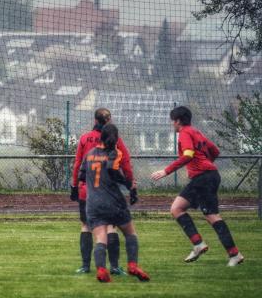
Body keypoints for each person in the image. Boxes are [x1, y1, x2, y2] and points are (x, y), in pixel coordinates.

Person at [151, 106, 244, 266]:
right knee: (177, 208)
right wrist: (206, 164)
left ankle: (234, 254)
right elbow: (215, 151)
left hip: (204, 178)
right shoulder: (196, 132)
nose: (172, 124)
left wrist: (166, 171)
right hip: (207, 176)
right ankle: (198, 244)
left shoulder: (185, 133)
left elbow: (188, 155)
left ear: (178, 121)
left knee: (211, 215)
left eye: (172, 121)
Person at [79, 124, 150, 283]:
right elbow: (112, 170)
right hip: (113, 201)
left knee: (100, 238)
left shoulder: (89, 154)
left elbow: (81, 176)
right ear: (115, 138)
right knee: (130, 233)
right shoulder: (114, 153)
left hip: (93, 203)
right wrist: (128, 184)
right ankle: (132, 265)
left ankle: (101, 269)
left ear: (100, 137)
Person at [70, 108, 136, 275]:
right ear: (109, 121)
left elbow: (78, 163)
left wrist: (74, 186)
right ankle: (114, 266)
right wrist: (131, 185)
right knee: (111, 227)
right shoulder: (115, 140)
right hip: (108, 192)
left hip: (88, 191)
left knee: (86, 225)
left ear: (94, 120)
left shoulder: (85, 138)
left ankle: (85, 266)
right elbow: (126, 162)